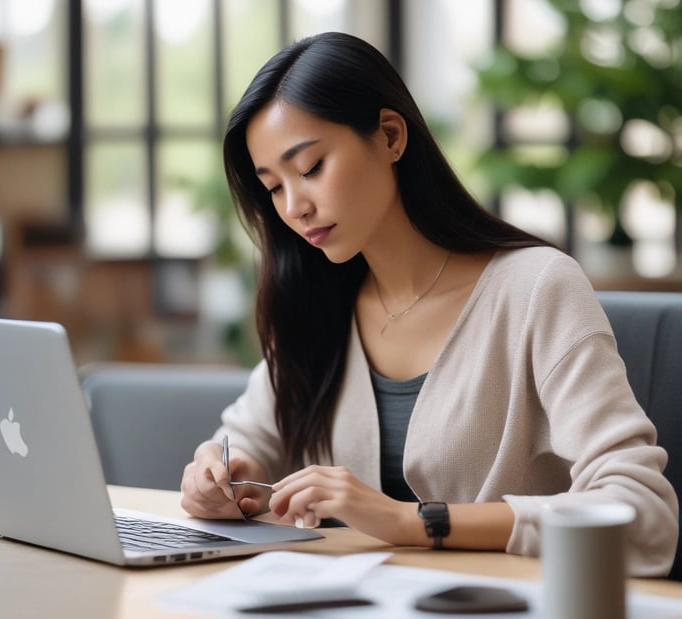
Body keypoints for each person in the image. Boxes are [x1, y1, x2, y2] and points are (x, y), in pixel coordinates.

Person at [180, 31, 678, 576]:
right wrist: (224, 475)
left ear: (390, 136)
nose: (295, 206)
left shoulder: (537, 289)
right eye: (273, 186)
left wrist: (416, 522)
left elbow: (642, 512)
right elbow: (245, 439)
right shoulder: (319, 301)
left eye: (311, 168)